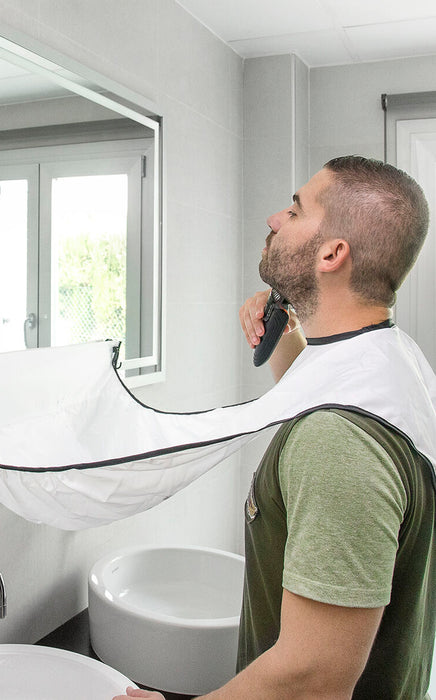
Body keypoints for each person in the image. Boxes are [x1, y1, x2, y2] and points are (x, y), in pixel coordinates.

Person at [114, 156, 436, 699]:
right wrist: (287, 332)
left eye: (294, 208)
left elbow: (314, 679)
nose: (273, 217)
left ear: (333, 253)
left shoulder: (339, 441)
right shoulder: (392, 359)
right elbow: (322, 393)